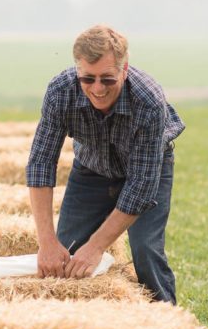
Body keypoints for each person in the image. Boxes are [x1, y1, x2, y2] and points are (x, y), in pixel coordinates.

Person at [26, 24, 185, 303]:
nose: (97, 89)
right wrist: (47, 243)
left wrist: (97, 247)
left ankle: (168, 326)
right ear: (77, 71)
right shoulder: (60, 92)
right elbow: (40, 164)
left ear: (124, 70)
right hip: (91, 169)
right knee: (67, 254)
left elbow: (141, 188)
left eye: (107, 79)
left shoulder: (148, 100)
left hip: (145, 171)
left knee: (146, 250)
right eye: (88, 79)